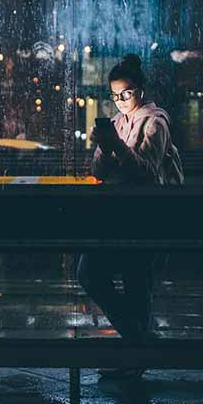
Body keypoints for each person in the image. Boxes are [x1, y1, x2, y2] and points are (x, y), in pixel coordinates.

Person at [77, 54, 183, 380]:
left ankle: (135, 356)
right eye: (115, 95)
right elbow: (98, 170)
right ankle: (140, 344)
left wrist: (115, 148)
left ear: (141, 89)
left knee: (136, 284)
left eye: (127, 93)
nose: (121, 101)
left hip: (149, 217)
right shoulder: (119, 122)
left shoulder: (155, 121)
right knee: (95, 272)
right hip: (122, 216)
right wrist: (104, 146)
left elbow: (147, 170)